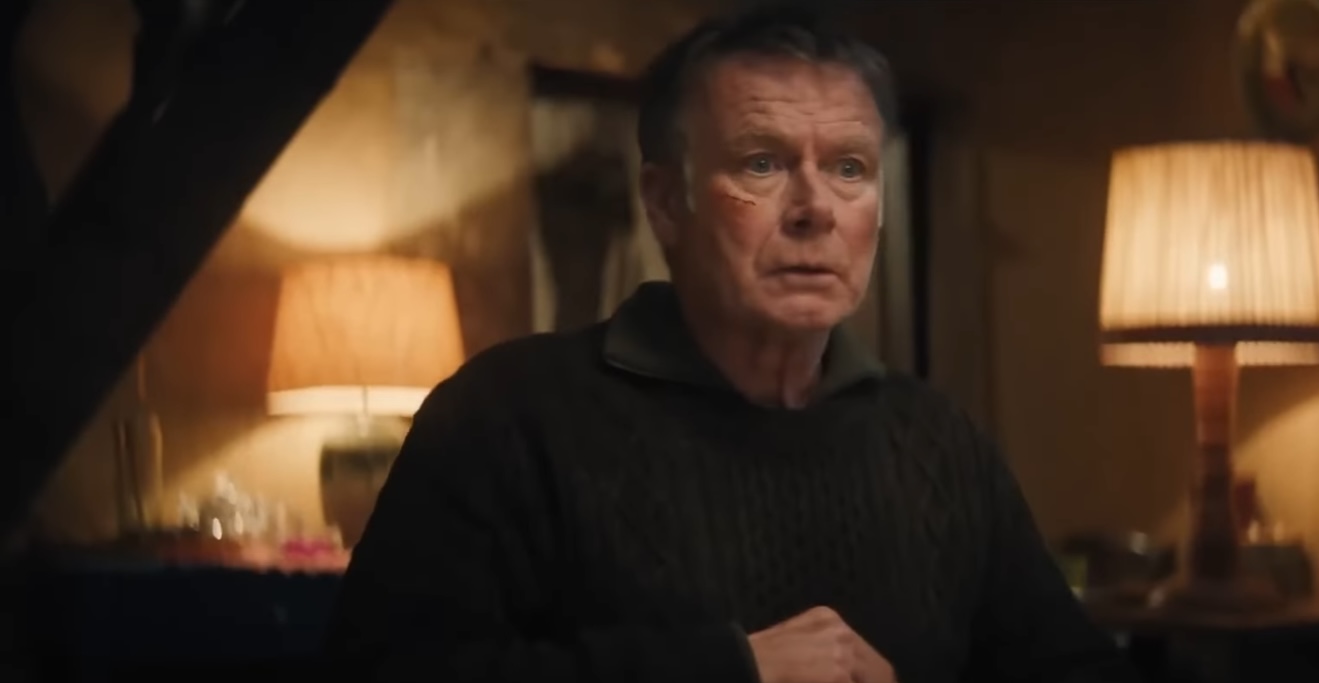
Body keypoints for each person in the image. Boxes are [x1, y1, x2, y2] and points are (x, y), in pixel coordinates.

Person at [324, 6, 1137, 683]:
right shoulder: (506, 416)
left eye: (850, 168)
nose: (815, 208)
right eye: (762, 163)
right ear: (665, 201)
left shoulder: (937, 443)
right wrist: (727, 668)